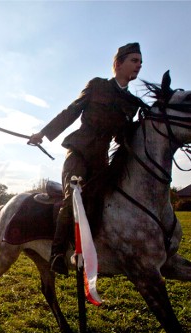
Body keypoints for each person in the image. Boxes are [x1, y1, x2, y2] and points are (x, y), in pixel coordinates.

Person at [28, 42, 144, 276]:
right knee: (75, 197)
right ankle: (58, 253)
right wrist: (44, 133)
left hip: (101, 161)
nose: (139, 66)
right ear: (118, 63)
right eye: (134, 60)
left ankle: (93, 249)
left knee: (101, 202)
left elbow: (125, 137)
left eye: (141, 63)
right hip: (78, 150)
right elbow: (72, 111)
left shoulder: (133, 104)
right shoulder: (97, 85)